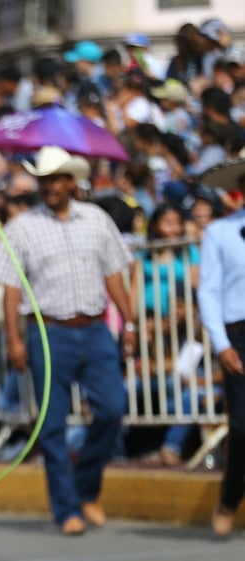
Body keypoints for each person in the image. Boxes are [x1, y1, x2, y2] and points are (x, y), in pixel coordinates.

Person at [0, 146, 137, 536]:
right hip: (48, 331)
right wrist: (15, 341)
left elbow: (114, 275)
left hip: (95, 327)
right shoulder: (21, 227)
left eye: (57, 179)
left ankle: (87, 489)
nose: (51, 186)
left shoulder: (97, 219)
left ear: (72, 181)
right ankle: (67, 507)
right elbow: (10, 288)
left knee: (111, 409)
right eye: (45, 180)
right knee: (52, 424)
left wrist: (132, 324)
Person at [196, 157, 245, 537]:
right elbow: (208, 291)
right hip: (238, 334)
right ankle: (230, 499)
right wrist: (221, 343)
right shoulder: (221, 232)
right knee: (242, 428)